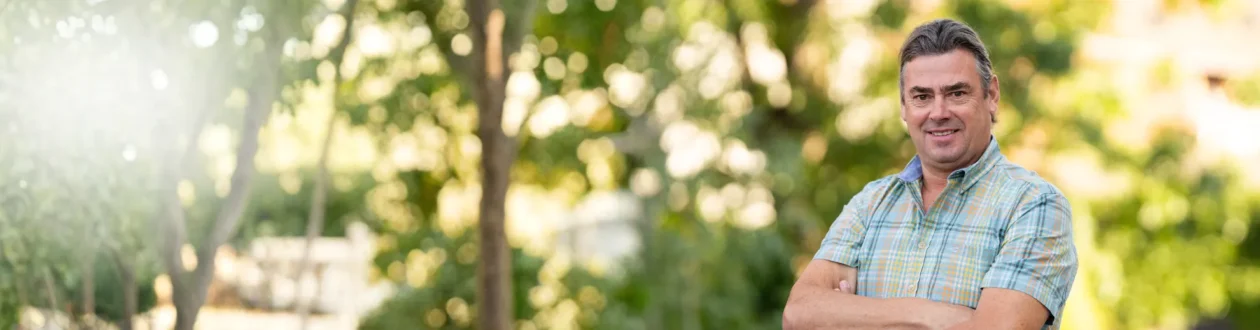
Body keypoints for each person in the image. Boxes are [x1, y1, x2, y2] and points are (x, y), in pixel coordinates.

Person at [782, 19, 1078, 330]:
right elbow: (799, 313)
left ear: (991, 95)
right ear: (903, 106)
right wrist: (933, 316)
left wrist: (852, 314)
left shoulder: (1033, 205)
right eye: (922, 97)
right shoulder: (870, 204)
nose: (938, 113)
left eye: (956, 93)